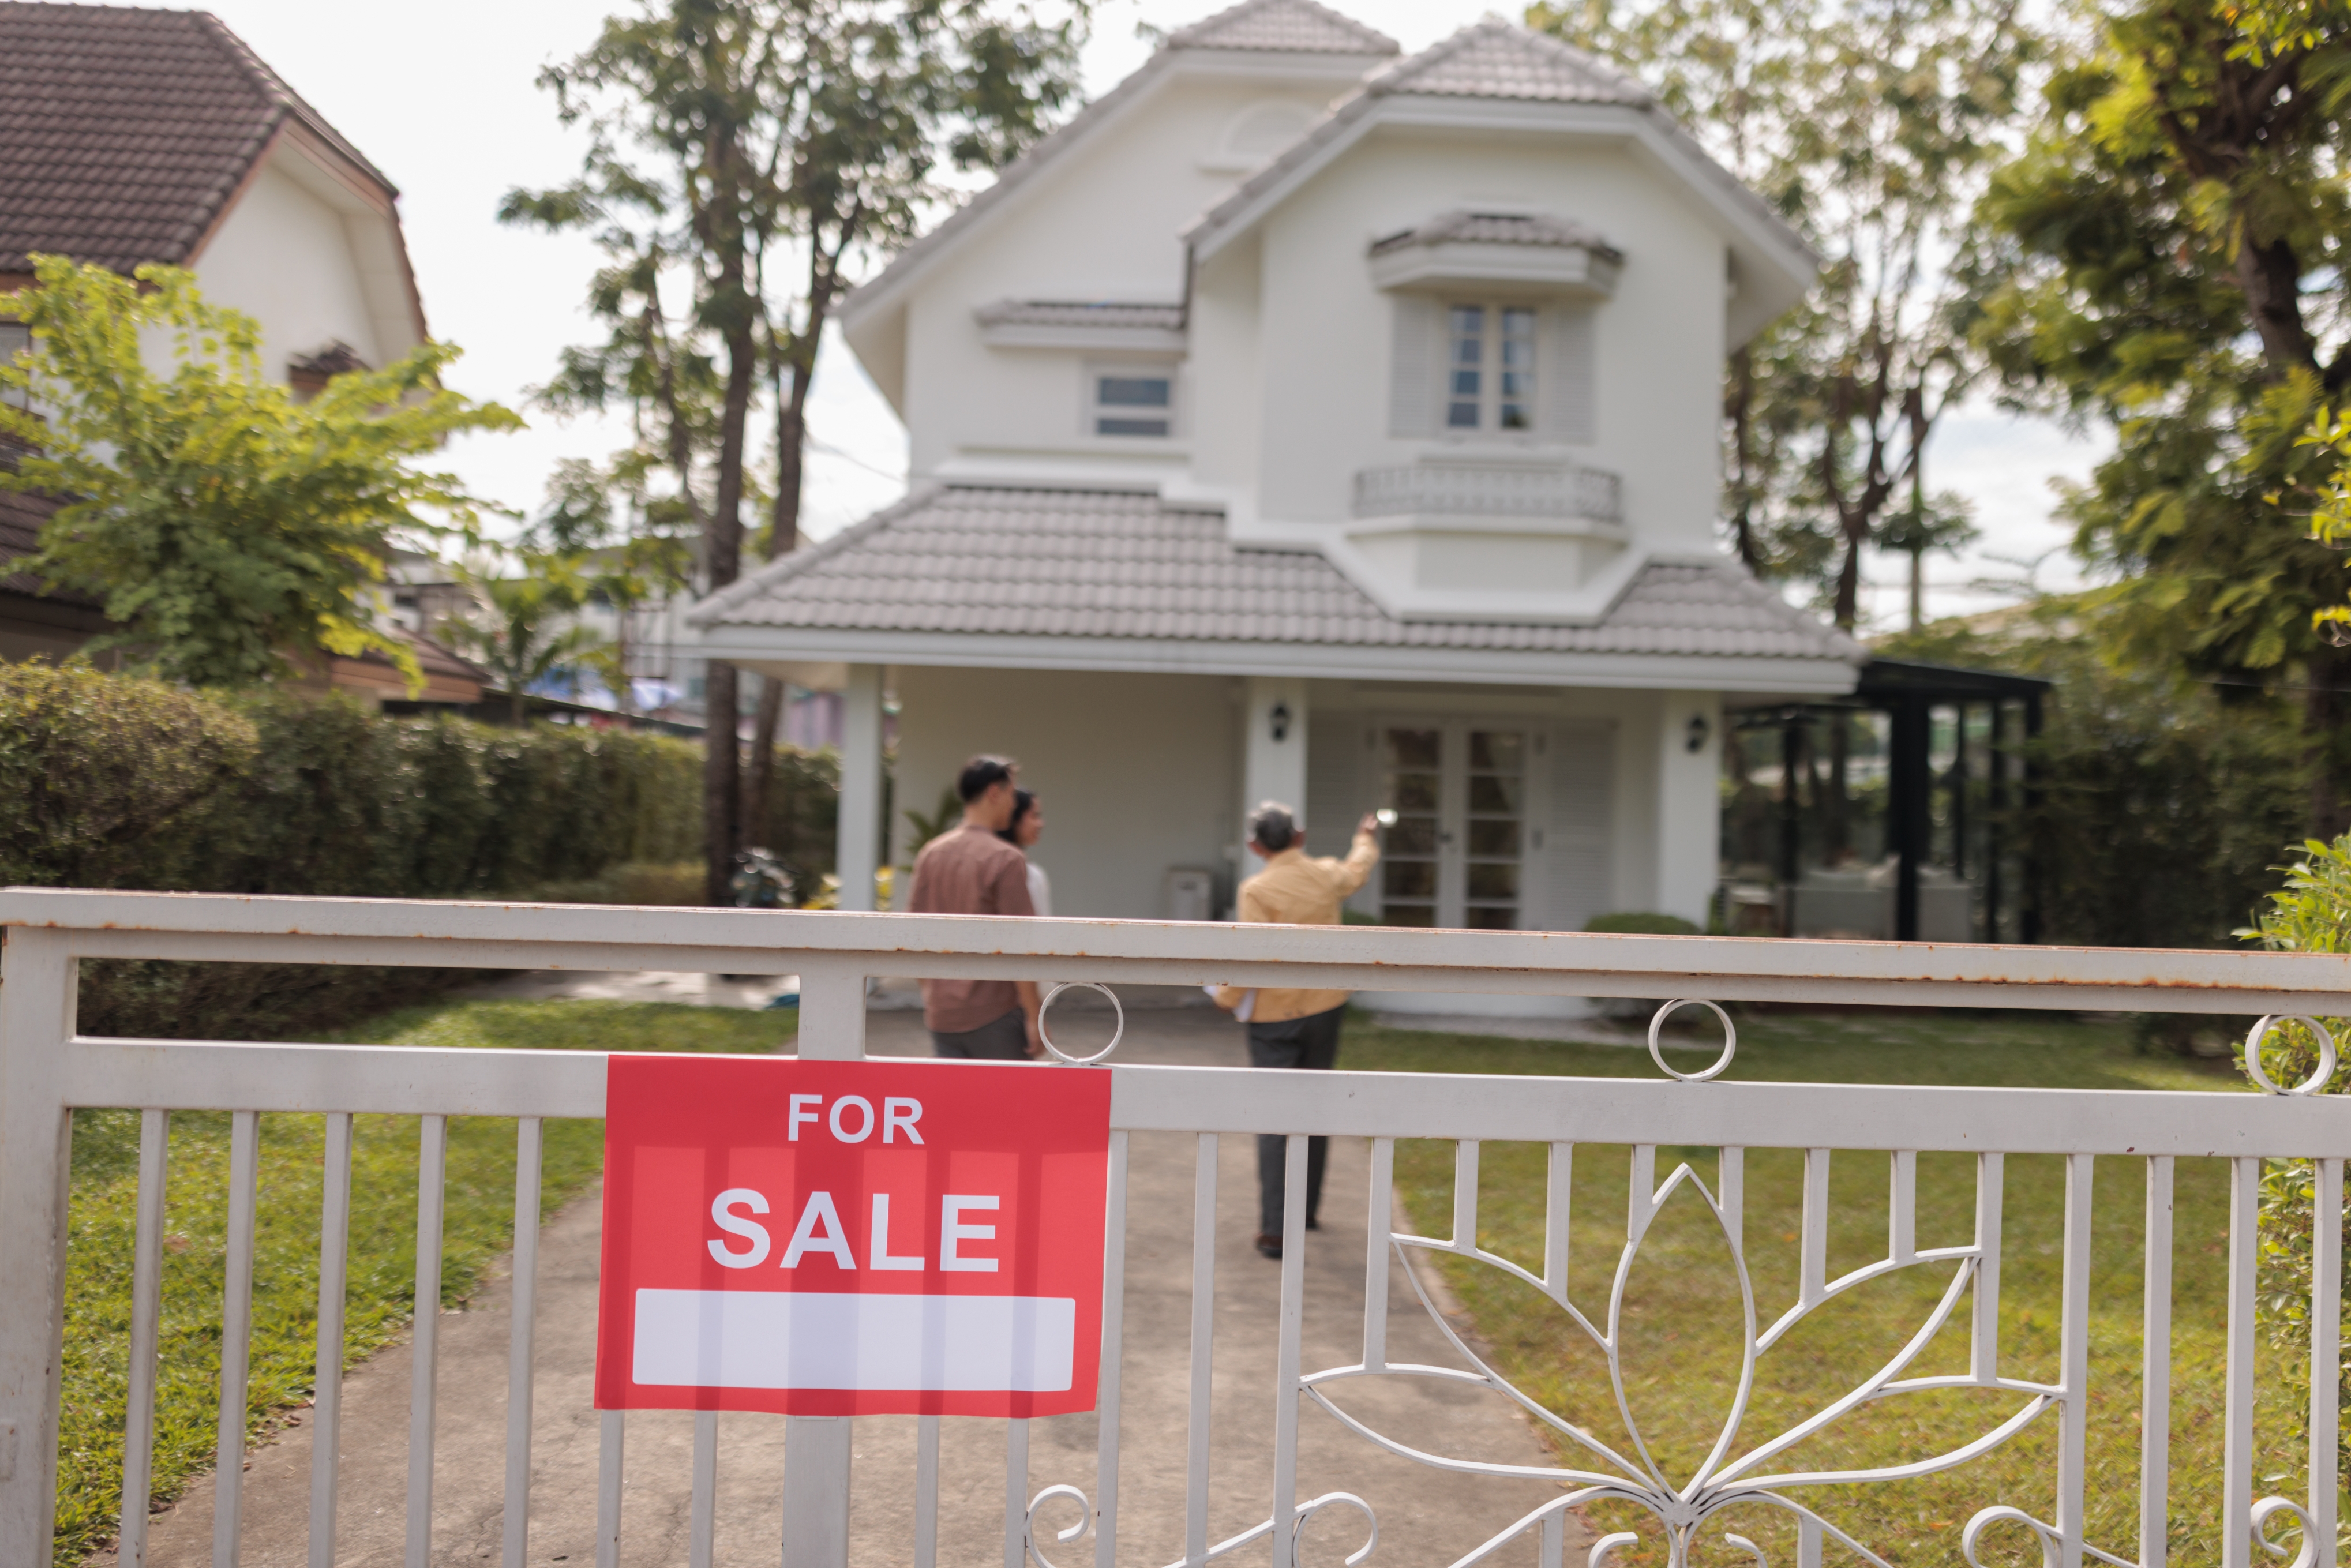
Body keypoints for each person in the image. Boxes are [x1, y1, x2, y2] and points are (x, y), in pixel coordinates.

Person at [1214, 800, 1380, 1259]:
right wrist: (1365, 837)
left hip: (1274, 1018)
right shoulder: (1324, 874)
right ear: (1299, 837)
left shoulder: (1257, 889)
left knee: (1275, 1121)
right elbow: (1357, 869)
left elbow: (1251, 957)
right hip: (1326, 1007)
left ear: (1253, 845)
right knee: (1315, 1109)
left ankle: (1275, 1229)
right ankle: (1305, 1210)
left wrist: (1224, 998)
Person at [906, 755, 1041, 1058]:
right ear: (994, 793)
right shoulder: (1005, 858)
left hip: (941, 1015)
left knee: (955, 1105)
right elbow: (1022, 944)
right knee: (1007, 1105)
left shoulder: (932, 853)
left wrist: (932, 993)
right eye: (1010, 794)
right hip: (996, 1015)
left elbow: (912, 933)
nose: (1013, 803)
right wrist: (1035, 1017)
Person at [996, 788, 1051, 917]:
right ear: (1015, 817)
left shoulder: (1032, 872)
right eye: (1034, 816)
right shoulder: (1028, 873)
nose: (1040, 824)